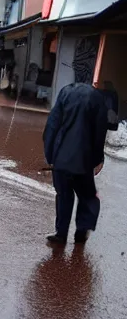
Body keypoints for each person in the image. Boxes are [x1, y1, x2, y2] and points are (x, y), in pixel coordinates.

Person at [43, 82, 109, 244]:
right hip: (83, 160)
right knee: (87, 196)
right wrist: (98, 159)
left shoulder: (65, 93)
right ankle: (82, 230)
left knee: (64, 195)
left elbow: (52, 125)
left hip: (61, 158)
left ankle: (61, 234)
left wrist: (50, 156)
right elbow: (99, 132)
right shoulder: (97, 99)